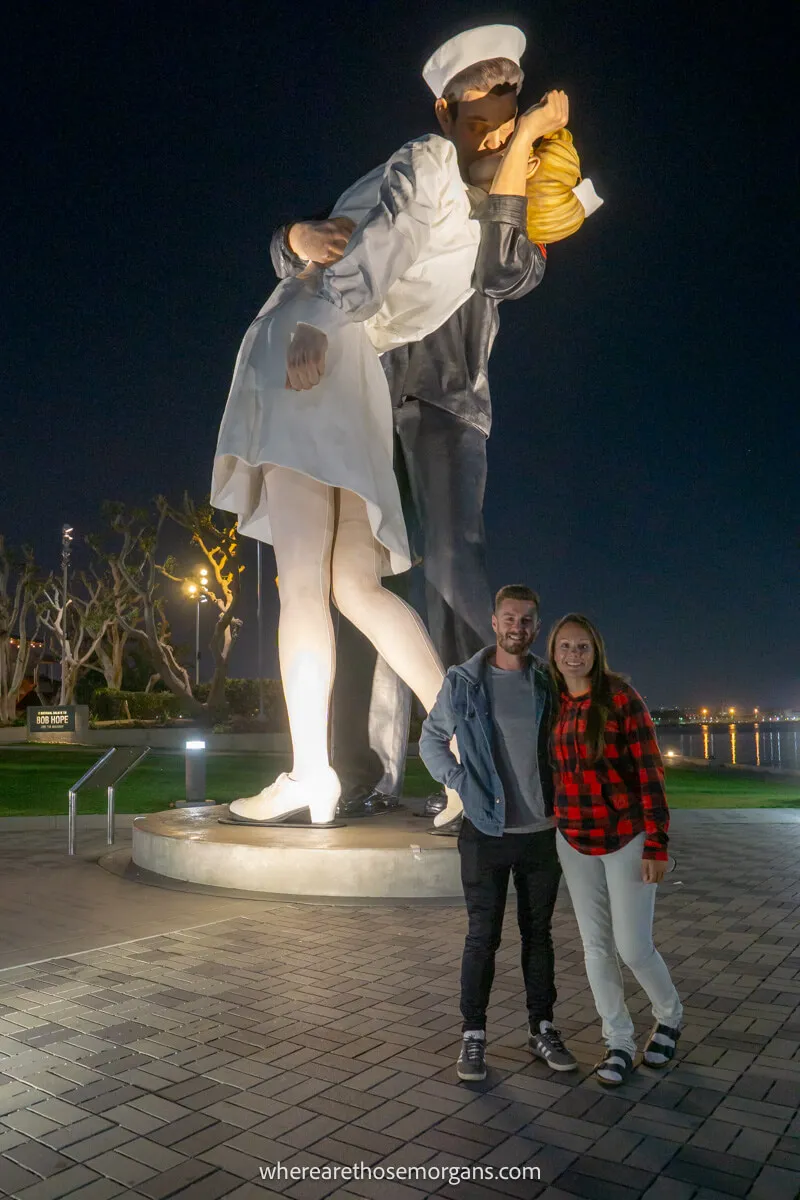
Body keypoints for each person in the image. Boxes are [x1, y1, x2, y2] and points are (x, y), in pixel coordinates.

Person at [211, 29, 570, 825]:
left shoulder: (473, 191)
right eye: (486, 95)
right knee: (355, 586)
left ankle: (316, 774)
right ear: (450, 108)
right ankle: (457, 753)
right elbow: (359, 237)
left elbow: (438, 250)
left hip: (352, 359)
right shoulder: (439, 168)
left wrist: (323, 306)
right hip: (363, 371)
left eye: (512, 94)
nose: (503, 111)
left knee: (321, 582)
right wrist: (295, 246)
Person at [419, 585, 577, 1081]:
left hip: (541, 832)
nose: (518, 627)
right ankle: (473, 1036)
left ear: (536, 626)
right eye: (510, 618)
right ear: (494, 622)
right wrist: (460, 780)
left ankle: (542, 1028)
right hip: (486, 831)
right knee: (482, 936)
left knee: (539, 936)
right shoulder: (464, 681)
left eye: (528, 620)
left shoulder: (548, 681)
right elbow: (431, 738)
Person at [548, 613, 683, 1086]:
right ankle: (619, 1040)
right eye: (565, 647)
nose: (573, 655)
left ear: (596, 650)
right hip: (574, 841)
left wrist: (656, 843)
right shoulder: (555, 702)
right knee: (596, 947)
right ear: (554, 653)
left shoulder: (621, 700)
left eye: (582, 646)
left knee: (633, 946)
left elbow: (650, 772)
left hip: (626, 838)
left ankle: (669, 1015)